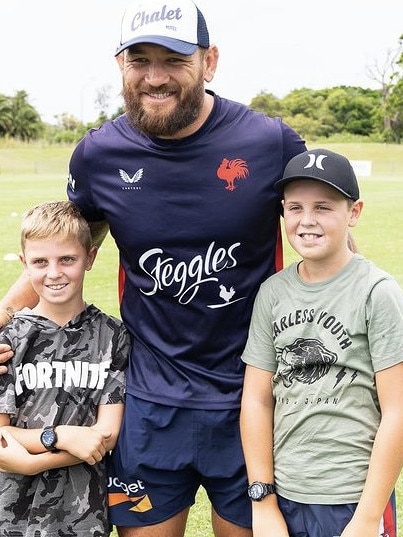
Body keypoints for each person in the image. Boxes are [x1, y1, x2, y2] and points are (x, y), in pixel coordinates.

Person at [0, 0, 307, 535]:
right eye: (139, 60)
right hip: (146, 405)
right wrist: (3, 318)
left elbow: (323, 242)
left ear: (209, 62)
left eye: (174, 59)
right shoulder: (99, 155)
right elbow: (70, 246)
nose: (155, 76)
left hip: (252, 403)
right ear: (120, 66)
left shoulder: (268, 142)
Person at [239, 148, 403, 537]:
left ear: (354, 213)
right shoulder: (273, 293)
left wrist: (366, 518)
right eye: (295, 208)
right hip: (287, 494)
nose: (307, 221)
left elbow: (398, 410)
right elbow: (257, 399)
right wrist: (263, 501)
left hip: (352, 497)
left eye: (324, 207)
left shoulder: (377, 292)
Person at [0, 201, 130, 536]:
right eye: (40, 261)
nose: (54, 272)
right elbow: (2, 436)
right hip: (12, 515)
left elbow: (106, 433)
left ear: (90, 258)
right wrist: (60, 436)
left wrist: (31, 456)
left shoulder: (112, 335)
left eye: (67, 259)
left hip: (83, 516)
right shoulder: (9, 340)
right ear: (24, 265)